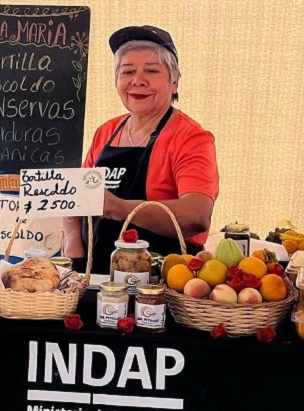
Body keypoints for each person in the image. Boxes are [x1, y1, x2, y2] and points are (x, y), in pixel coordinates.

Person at [63, 25, 219, 274]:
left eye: (151, 71)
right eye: (127, 72)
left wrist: (117, 207)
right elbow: (75, 196)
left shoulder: (191, 138)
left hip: (161, 283)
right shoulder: (107, 131)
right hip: (97, 276)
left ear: (174, 82)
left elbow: (196, 216)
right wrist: (74, 250)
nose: (137, 80)